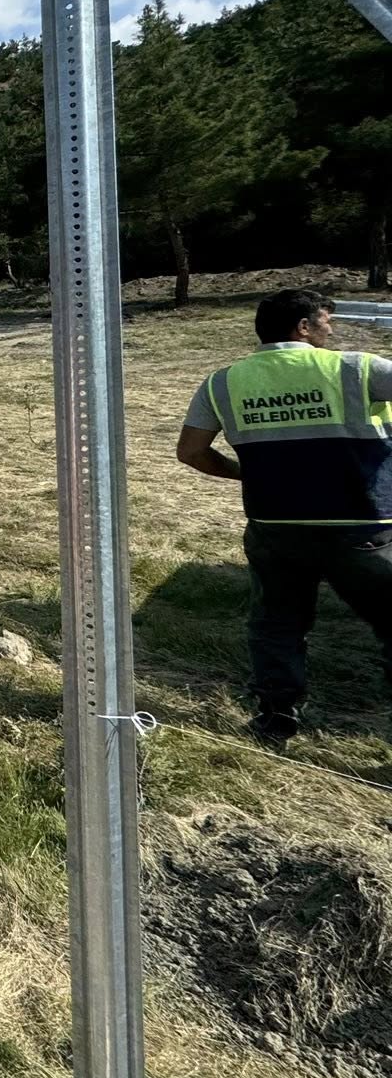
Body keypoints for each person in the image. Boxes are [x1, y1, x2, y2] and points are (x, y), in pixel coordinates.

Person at [177, 286, 392, 746]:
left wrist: (247, 474)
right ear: (304, 327)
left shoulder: (223, 382)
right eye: (326, 323)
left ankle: (277, 716)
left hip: (275, 526)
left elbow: (191, 452)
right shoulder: (357, 368)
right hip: (360, 527)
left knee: (277, 623)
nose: (331, 331)